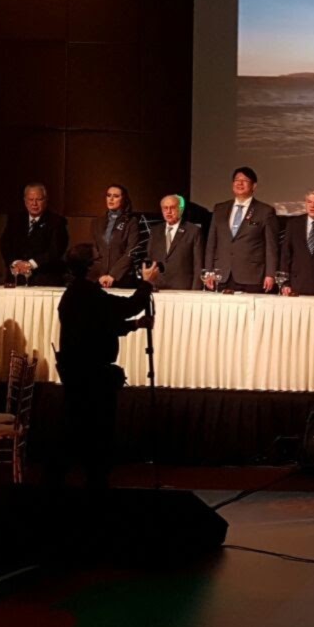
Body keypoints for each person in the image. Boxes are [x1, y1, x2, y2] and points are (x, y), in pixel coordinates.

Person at [47, 244, 158, 490]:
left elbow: (101, 324)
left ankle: (71, 479)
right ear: (89, 266)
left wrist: (135, 325)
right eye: (97, 258)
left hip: (80, 371)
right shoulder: (86, 294)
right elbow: (126, 307)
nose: (101, 261)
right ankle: (91, 483)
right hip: (90, 375)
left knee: (78, 427)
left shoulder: (79, 292)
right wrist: (147, 283)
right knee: (94, 430)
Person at [204, 166, 278, 293]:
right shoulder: (220, 209)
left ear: (254, 186)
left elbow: (271, 246)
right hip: (221, 275)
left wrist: (270, 274)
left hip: (251, 276)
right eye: (237, 180)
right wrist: (208, 271)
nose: (240, 183)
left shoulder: (265, 211)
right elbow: (211, 243)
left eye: (244, 180)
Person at [0, 182, 68, 286]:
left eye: (39, 199)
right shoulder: (15, 220)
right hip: (17, 278)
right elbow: (5, 245)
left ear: (46, 200)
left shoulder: (57, 222)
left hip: (44, 280)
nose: (34, 204)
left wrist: (30, 264)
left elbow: (56, 250)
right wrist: (15, 262)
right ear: (25, 201)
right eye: (31, 200)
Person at [89, 183, 140, 288]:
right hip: (100, 278)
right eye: (108, 195)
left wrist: (113, 275)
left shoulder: (131, 222)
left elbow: (131, 250)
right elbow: (94, 249)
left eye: (116, 196)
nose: (111, 199)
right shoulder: (96, 222)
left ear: (123, 199)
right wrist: (101, 274)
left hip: (123, 278)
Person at [149, 194, 203, 290]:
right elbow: (150, 258)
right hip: (157, 287)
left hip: (183, 288)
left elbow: (198, 264)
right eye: (165, 208)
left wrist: (195, 290)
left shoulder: (193, 230)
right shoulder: (155, 231)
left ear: (180, 209)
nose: (168, 211)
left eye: (172, 208)